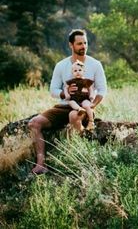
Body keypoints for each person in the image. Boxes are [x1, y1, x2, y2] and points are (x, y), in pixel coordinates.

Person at [28, 29, 107, 174]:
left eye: (85, 43)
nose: (83, 46)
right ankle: (41, 164)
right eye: (79, 43)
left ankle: (80, 161)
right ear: (71, 45)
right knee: (34, 123)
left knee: (73, 116)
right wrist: (65, 94)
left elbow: (102, 90)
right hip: (64, 105)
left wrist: (92, 105)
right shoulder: (61, 65)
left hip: (84, 107)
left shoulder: (95, 65)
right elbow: (53, 90)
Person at [64, 60, 95, 131]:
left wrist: (92, 96)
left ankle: (91, 121)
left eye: (80, 70)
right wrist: (67, 95)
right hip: (74, 99)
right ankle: (79, 109)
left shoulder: (86, 81)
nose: (77, 72)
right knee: (71, 102)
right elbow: (65, 88)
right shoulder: (71, 81)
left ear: (84, 71)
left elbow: (91, 89)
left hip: (85, 98)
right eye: (75, 71)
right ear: (72, 73)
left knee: (86, 105)